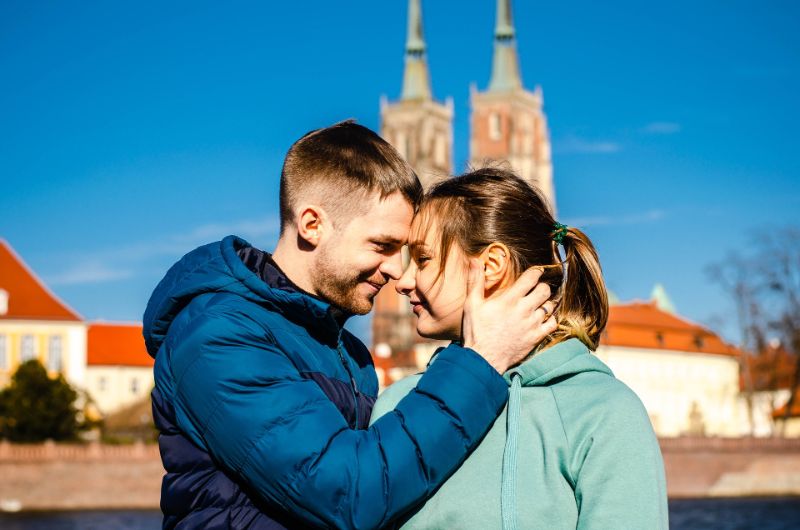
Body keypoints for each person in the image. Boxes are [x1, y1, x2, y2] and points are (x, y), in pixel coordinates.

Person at [143, 122, 557, 529]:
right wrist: (480, 359)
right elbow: (348, 493)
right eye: (383, 246)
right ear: (312, 224)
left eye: (408, 251)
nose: (398, 271)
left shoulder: (344, 348)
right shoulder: (216, 334)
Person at [371, 167, 669, 530]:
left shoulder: (602, 413)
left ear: (491, 266)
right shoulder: (396, 405)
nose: (401, 281)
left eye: (422, 259)